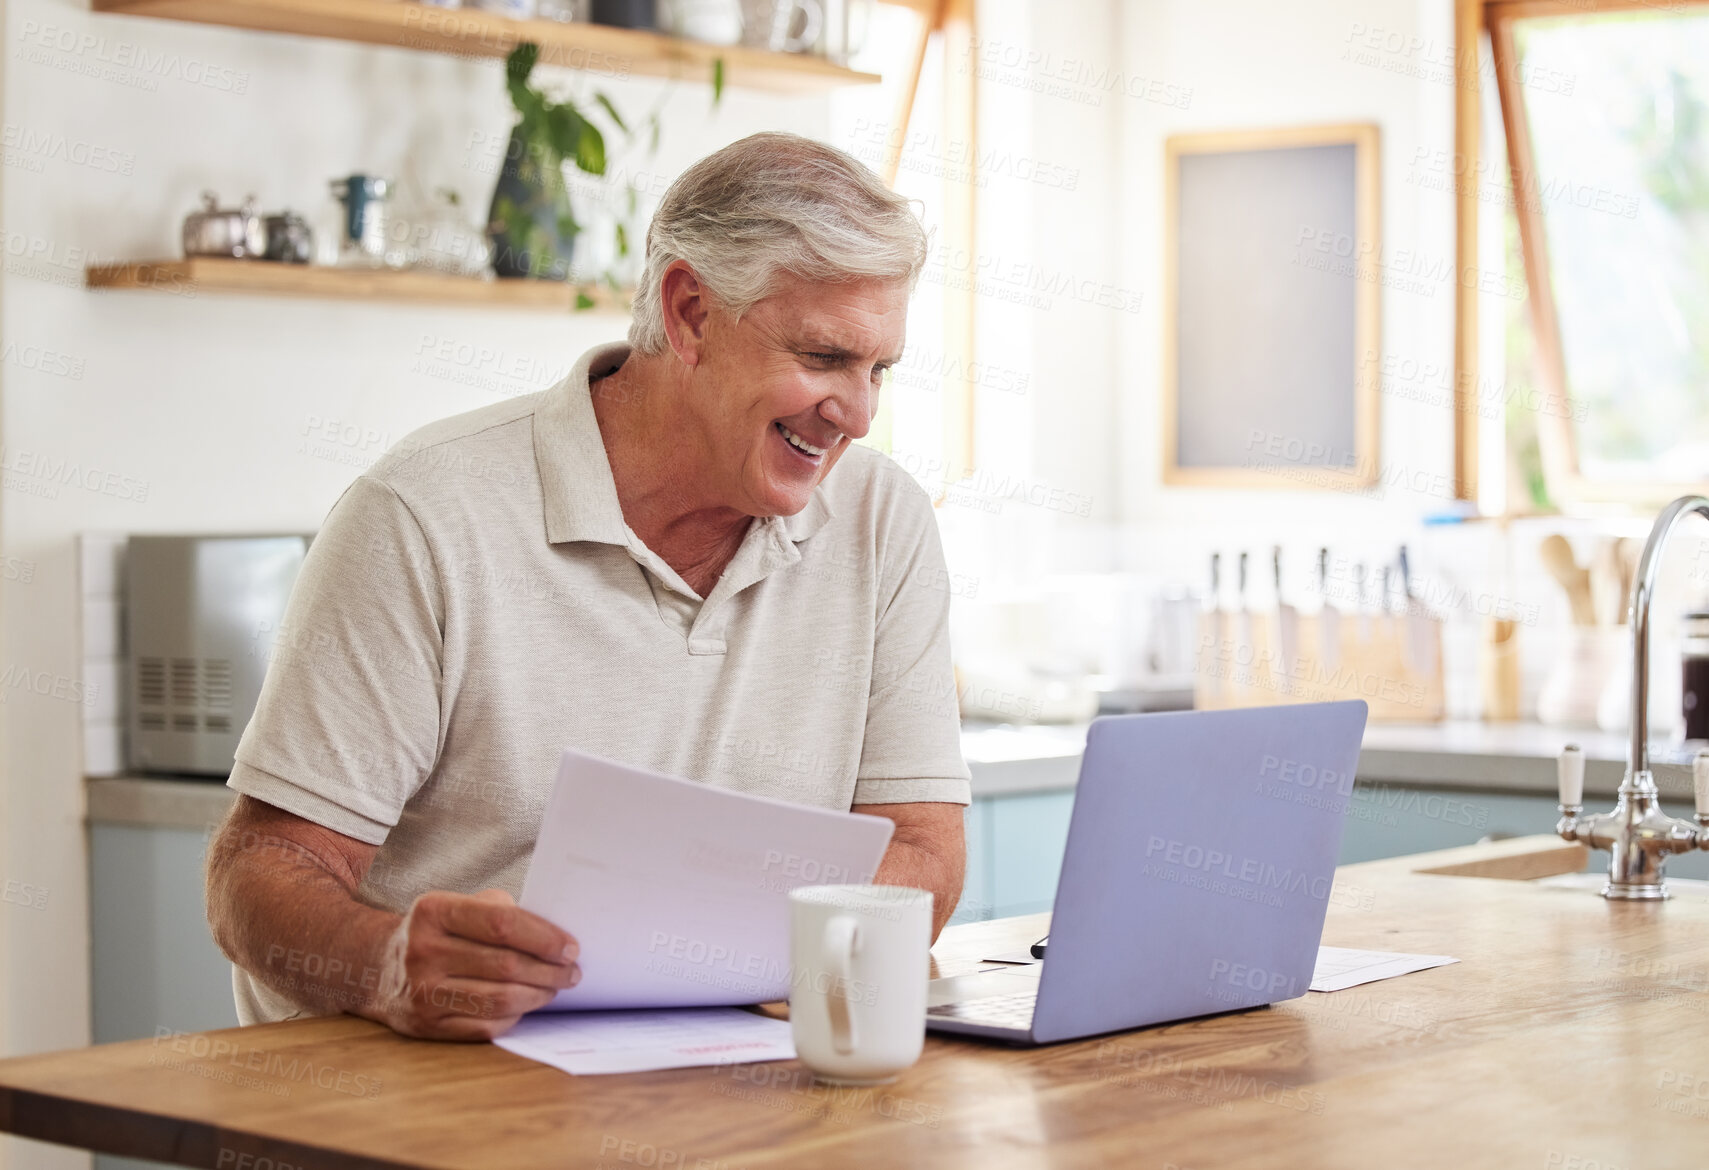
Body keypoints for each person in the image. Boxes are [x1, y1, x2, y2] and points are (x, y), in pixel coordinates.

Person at [205, 131, 970, 1040]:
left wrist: (720, 959)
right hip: (428, 1085)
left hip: (721, 1080)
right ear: (689, 312)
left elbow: (923, 854)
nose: (856, 415)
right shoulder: (424, 513)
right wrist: (386, 964)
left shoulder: (882, 519)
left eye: (877, 370)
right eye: (821, 358)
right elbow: (257, 876)